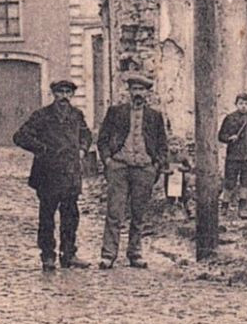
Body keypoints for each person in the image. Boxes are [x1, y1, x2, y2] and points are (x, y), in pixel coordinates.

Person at [13, 78, 94, 271]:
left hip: (70, 173)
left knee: (71, 215)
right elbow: (20, 136)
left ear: (72, 95)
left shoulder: (76, 115)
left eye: (68, 93)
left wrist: (83, 149)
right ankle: (47, 256)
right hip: (47, 174)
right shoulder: (42, 115)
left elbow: (86, 134)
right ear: (54, 94)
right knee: (47, 216)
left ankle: (69, 254)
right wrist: (42, 150)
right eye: (60, 93)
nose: (64, 97)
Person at [95, 64, 168, 268]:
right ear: (129, 91)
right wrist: (108, 161)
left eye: (141, 90)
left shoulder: (155, 116)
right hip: (119, 167)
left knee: (139, 213)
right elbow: (103, 139)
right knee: (114, 212)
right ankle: (108, 254)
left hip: (144, 169)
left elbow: (163, 144)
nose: (138, 93)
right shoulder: (115, 112)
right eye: (134, 89)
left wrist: (156, 166)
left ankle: (135, 253)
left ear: (147, 93)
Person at [216, 93, 247, 218]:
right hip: (233, 157)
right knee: (229, 183)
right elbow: (221, 136)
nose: (244, 106)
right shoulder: (229, 118)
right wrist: (230, 138)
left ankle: (242, 208)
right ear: (236, 104)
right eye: (241, 103)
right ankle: (224, 207)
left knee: (245, 183)